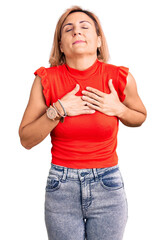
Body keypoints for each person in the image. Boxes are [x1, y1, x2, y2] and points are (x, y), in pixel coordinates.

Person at [18, 5, 147, 240]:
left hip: (108, 185)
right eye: (68, 29)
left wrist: (118, 108)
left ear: (98, 40)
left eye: (84, 27)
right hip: (61, 188)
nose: (77, 32)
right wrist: (58, 110)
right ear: (61, 46)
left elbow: (140, 116)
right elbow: (26, 139)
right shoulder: (45, 80)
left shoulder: (119, 77)